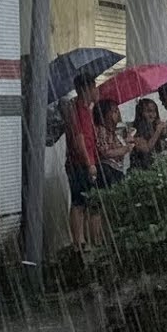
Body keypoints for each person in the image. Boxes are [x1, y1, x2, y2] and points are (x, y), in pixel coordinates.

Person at [63, 73, 100, 250]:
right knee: (78, 202)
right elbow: (79, 140)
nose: (96, 91)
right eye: (94, 86)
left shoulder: (87, 110)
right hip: (78, 163)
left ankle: (83, 239)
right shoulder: (76, 110)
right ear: (86, 89)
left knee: (86, 202)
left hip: (87, 161)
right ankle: (78, 241)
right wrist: (88, 163)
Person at [92, 99, 131, 188]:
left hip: (117, 168)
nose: (118, 113)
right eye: (114, 111)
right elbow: (106, 152)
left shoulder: (113, 132)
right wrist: (126, 148)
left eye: (117, 110)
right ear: (104, 115)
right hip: (109, 169)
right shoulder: (101, 130)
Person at [129, 98, 167, 169]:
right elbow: (146, 149)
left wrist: (164, 132)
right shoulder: (135, 130)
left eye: (154, 111)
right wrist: (158, 131)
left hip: (156, 165)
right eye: (149, 111)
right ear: (141, 113)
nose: (153, 115)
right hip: (140, 168)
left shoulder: (154, 126)